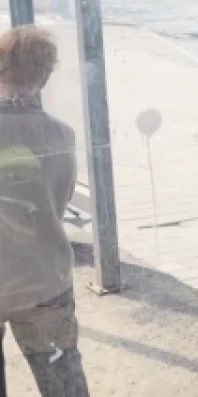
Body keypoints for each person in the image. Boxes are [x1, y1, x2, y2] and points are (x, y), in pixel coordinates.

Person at [0, 26, 91, 396]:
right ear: (44, 76)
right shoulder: (61, 135)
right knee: (63, 383)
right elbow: (61, 197)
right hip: (44, 279)